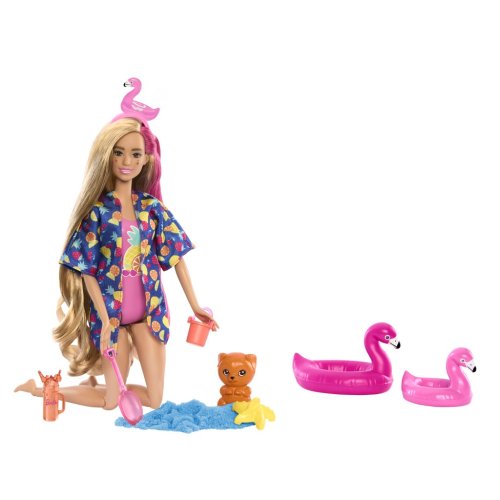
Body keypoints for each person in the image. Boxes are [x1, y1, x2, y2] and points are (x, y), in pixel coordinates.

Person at [15, 82, 218, 411]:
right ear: (106, 155)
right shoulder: (98, 213)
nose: (127, 161)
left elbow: (176, 257)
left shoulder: (152, 209)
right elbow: (87, 271)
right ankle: (41, 390)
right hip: (112, 318)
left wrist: (196, 306)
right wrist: (105, 317)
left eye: (135, 154)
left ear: (146, 159)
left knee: (155, 399)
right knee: (112, 402)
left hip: (149, 316)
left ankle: (98, 384)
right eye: (118, 152)